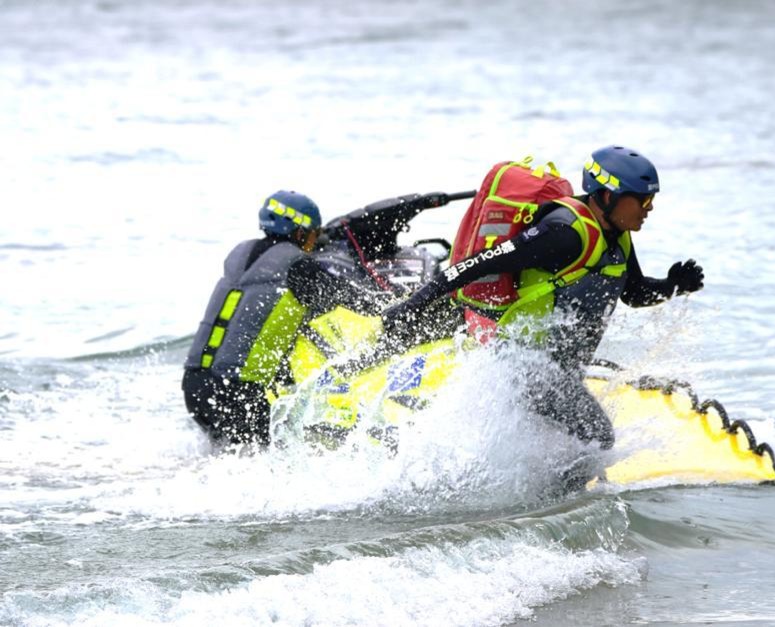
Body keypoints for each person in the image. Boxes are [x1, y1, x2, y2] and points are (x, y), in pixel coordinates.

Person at [380, 146, 705, 460]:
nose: (649, 208)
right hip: (524, 365)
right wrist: (412, 305)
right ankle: (557, 511)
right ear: (609, 196)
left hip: (558, 370)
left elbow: (633, 293)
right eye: (644, 200)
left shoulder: (618, 234)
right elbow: (478, 264)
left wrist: (672, 286)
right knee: (599, 437)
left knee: (573, 444)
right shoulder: (564, 234)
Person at [182, 190, 368, 445]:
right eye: (314, 233)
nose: (315, 241)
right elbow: (355, 300)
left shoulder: (240, 255)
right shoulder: (299, 267)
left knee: (227, 457)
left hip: (194, 385)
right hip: (237, 392)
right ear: (301, 233)